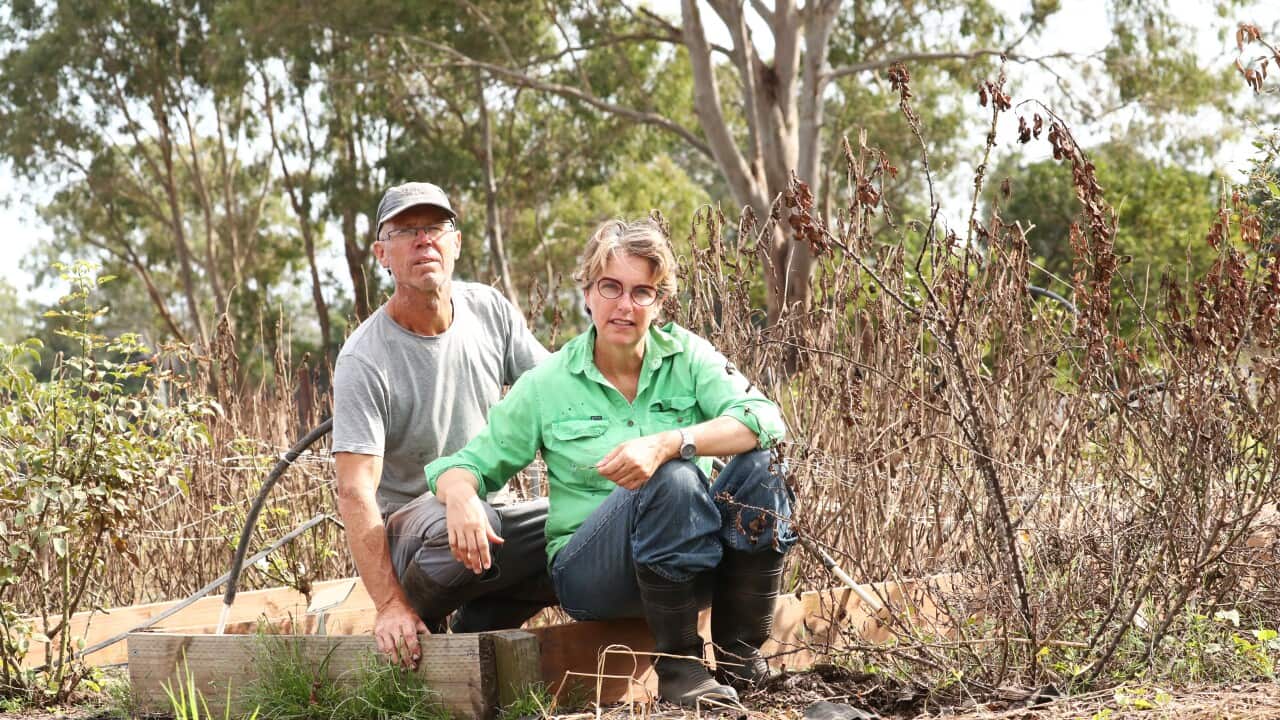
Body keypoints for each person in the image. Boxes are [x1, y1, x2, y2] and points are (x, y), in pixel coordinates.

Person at [425, 218, 796, 706]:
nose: (625, 305)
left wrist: (671, 440)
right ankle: (681, 669)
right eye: (611, 287)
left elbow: (766, 419)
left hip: (693, 566)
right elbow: (465, 465)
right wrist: (460, 498)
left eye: (642, 292)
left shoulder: (686, 356)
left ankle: (739, 661)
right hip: (594, 575)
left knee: (763, 465)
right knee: (673, 478)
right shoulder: (547, 383)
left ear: (659, 302)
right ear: (587, 293)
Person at [332, 182, 555, 670]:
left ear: (455, 243)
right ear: (382, 254)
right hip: (414, 535)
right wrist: (390, 605)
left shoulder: (489, 310)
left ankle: (478, 627)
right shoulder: (364, 359)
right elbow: (354, 491)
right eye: (406, 231)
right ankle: (418, 618)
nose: (423, 240)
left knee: (573, 527)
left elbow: (555, 392)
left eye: (435, 227)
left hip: (489, 515)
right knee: (473, 523)